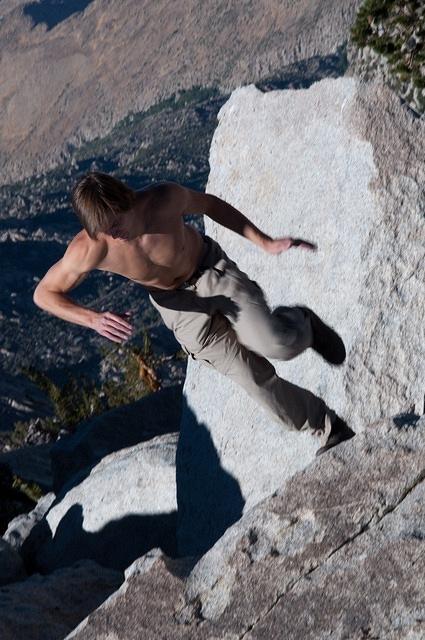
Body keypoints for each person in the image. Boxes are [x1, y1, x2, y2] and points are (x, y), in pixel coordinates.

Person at [33, 171, 355, 455]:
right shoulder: (90, 248)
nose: (113, 234)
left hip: (211, 271)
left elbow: (212, 206)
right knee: (252, 379)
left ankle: (303, 323)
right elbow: (44, 294)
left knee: (277, 343)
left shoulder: (163, 199)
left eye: (115, 223)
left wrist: (266, 242)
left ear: (125, 199)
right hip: (178, 308)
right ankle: (328, 427)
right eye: (103, 230)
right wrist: (92, 318)